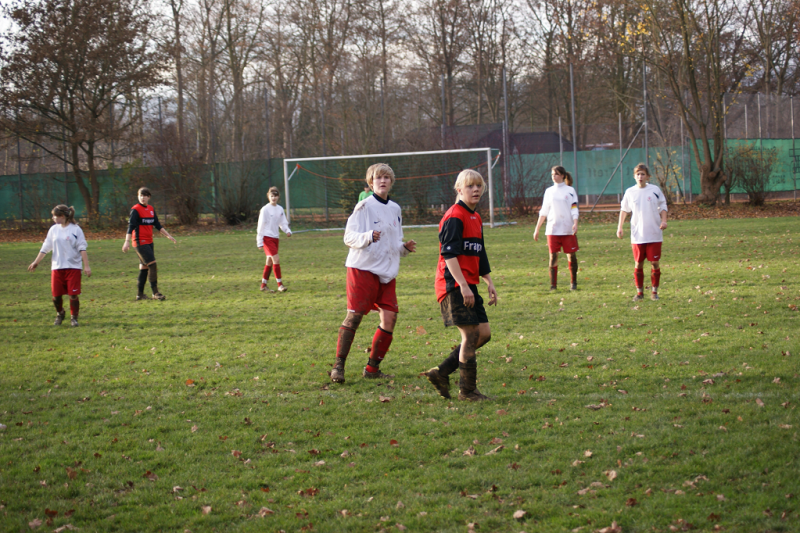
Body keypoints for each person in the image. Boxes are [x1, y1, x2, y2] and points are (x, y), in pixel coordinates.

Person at [330, 163, 417, 383]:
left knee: (390, 318)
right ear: (371, 182)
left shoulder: (395, 209)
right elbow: (348, 237)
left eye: (386, 177)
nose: (382, 181)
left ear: (391, 182)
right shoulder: (364, 206)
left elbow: (393, 243)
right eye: (378, 177)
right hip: (363, 269)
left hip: (386, 272)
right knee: (355, 316)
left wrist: (404, 248)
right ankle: (338, 366)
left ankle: (372, 369)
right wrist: (368, 236)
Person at [426, 169, 498, 401]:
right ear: (459, 189)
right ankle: (467, 391)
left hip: (468, 284)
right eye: (470, 186)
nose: (475, 189)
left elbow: (479, 253)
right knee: (470, 334)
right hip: (453, 284)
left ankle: (441, 372)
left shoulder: (475, 217)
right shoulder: (455, 216)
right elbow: (449, 255)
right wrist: (464, 286)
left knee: (483, 334)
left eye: (479, 186)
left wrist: (489, 281)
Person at [27, 205, 91, 327]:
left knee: (73, 294)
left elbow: (82, 248)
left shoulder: (76, 229)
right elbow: (46, 247)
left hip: (73, 267)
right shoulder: (53, 230)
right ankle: (60, 313)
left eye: (54, 216)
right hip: (57, 267)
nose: (53, 218)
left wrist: (86, 266)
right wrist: (36, 262)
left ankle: (74, 318)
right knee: (56, 296)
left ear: (62, 216)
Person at [617, 163, 668, 301]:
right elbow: (624, 210)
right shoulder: (630, 192)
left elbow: (663, 206)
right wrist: (619, 227)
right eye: (638, 174)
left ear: (647, 177)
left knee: (654, 262)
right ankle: (639, 293)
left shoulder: (655, 190)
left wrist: (664, 221)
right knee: (638, 263)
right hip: (638, 235)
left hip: (654, 233)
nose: (640, 176)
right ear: (634, 176)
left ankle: (654, 292)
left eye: (643, 174)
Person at [122, 187, 176, 300]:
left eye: (145, 196)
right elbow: (130, 227)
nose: (143, 198)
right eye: (140, 195)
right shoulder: (135, 210)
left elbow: (157, 225)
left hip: (149, 242)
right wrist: (126, 242)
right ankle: (155, 293)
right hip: (139, 242)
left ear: (149, 197)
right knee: (152, 264)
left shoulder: (151, 209)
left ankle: (140, 295)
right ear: (138, 196)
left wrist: (168, 235)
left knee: (144, 268)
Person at [533, 166, 580, 291]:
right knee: (553, 256)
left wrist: (575, 223)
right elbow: (544, 211)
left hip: (568, 229)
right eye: (552, 174)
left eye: (557, 174)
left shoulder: (570, 190)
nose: (554, 176)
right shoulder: (549, 191)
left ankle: (573, 283)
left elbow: (574, 208)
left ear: (563, 176)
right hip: (553, 229)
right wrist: (537, 229)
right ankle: (553, 286)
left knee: (571, 255)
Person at [256, 186, 292, 292]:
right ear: (268, 196)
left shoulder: (280, 209)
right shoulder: (265, 209)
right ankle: (280, 285)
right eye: (272, 196)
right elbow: (260, 225)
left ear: (278, 197)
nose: (273, 198)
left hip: (275, 238)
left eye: (275, 196)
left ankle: (263, 285)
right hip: (267, 238)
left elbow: (283, 223)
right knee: (276, 259)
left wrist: (287, 230)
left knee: (269, 261)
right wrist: (259, 241)